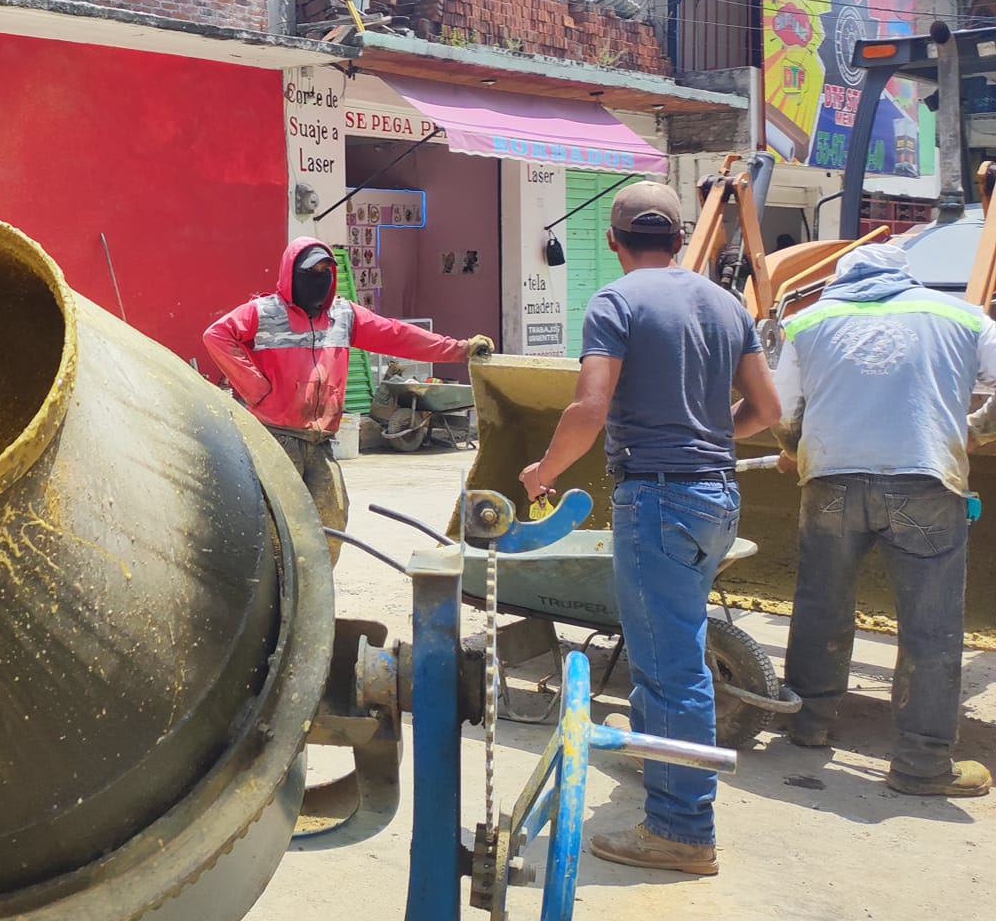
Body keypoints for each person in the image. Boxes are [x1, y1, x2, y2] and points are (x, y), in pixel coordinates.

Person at [518, 180, 780, 876]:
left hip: (659, 500)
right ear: (679, 236)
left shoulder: (615, 301)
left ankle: (681, 830)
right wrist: (708, 438)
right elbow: (768, 408)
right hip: (718, 499)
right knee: (677, 655)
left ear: (613, 241)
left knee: (668, 671)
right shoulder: (727, 304)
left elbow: (590, 406)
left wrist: (545, 472)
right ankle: (671, 774)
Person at [771, 242, 994, 797]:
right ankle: (921, 765)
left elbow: (781, 412)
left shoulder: (808, 320)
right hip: (925, 482)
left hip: (831, 484)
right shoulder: (962, 317)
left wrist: (794, 446)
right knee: (930, 626)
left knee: (821, 606)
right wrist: (978, 428)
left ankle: (807, 724)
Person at [204, 236, 491, 536]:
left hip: (321, 441)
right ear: (292, 274)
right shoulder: (263, 312)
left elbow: (397, 335)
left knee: (332, 522)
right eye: (312, 272)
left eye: (326, 271)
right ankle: (279, 583)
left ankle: (318, 582)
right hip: (276, 438)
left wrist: (459, 349)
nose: (320, 279)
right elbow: (217, 336)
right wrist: (258, 391)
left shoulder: (343, 316)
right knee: (277, 527)